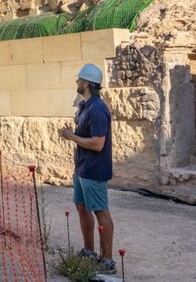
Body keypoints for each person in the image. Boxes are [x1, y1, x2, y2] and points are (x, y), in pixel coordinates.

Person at [59, 63, 116, 275]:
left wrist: (71, 136)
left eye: (79, 79)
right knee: (82, 207)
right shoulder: (86, 107)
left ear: (86, 83)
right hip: (82, 168)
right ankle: (89, 251)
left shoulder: (98, 109)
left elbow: (98, 143)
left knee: (101, 212)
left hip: (94, 170)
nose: (76, 82)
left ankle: (107, 259)